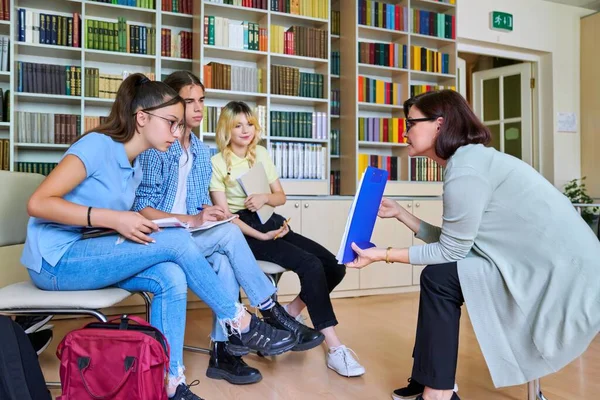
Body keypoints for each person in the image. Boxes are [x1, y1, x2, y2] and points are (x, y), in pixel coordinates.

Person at [20, 73, 298, 400]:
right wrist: (115, 219)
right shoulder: (96, 145)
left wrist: (136, 223)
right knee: (178, 242)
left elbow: (119, 220)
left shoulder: (135, 164)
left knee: (171, 273)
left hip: (94, 254)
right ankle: (239, 321)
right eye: (171, 122)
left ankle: (171, 382)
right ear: (141, 118)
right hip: (56, 262)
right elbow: (37, 203)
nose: (177, 132)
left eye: (180, 125)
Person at [345, 89, 600, 400]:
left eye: (410, 123)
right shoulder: (468, 160)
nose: (404, 132)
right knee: (438, 276)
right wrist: (402, 215)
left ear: (439, 124)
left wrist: (382, 255)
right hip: (536, 260)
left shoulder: (466, 169)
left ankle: (437, 391)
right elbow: (458, 242)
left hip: (559, 272)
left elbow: (452, 251)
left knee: (440, 277)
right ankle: (430, 379)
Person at [133, 71, 324, 385]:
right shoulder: (156, 148)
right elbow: (142, 206)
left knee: (224, 258)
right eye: (188, 101)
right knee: (229, 234)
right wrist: (192, 220)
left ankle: (224, 352)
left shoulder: (200, 152)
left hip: (188, 236)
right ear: (171, 105)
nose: (197, 108)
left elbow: (196, 204)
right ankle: (271, 312)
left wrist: (207, 211)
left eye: (202, 101)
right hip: (162, 238)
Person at [209, 101, 366, 378]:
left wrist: (265, 199)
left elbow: (280, 197)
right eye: (238, 125)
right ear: (226, 129)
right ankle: (334, 347)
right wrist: (261, 234)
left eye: (250, 124)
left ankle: (290, 313)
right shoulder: (217, 162)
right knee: (310, 264)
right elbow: (225, 217)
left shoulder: (261, 154)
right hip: (242, 230)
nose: (246, 130)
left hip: (271, 219)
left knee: (333, 265)